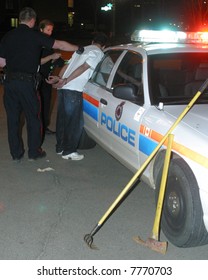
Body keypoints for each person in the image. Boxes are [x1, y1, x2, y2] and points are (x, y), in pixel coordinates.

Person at [0, 7, 84, 162]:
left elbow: (2, 62)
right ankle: (34, 152)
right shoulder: (35, 35)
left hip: (10, 83)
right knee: (34, 118)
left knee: (13, 120)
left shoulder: (8, 36)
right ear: (33, 20)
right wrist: (78, 48)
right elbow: (60, 45)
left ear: (20, 19)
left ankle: (16, 154)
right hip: (27, 83)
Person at [46, 32, 108, 160]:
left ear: (92, 41)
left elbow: (66, 65)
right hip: (73, 89)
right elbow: (84, 67)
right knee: (74, 123)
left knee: (62, 120)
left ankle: (60, 148)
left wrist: (61, 80)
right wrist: (66, 80)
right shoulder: (98, 53)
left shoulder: (82, 49)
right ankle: (69, 151)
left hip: (64, 89)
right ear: (104, 46)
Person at [39, 19, 65, 137]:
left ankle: (44, 127)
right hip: (38, 79)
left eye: (51, 30)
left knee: (47, 104)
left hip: (47, 78)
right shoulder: (37, 43)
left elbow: (57, 61)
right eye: (48, 30)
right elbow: (36, 62)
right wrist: (51, 57)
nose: (50, 33)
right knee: (39, 105)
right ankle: (40, 129)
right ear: (41, 29)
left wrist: (56, 60)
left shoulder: (49, 44)